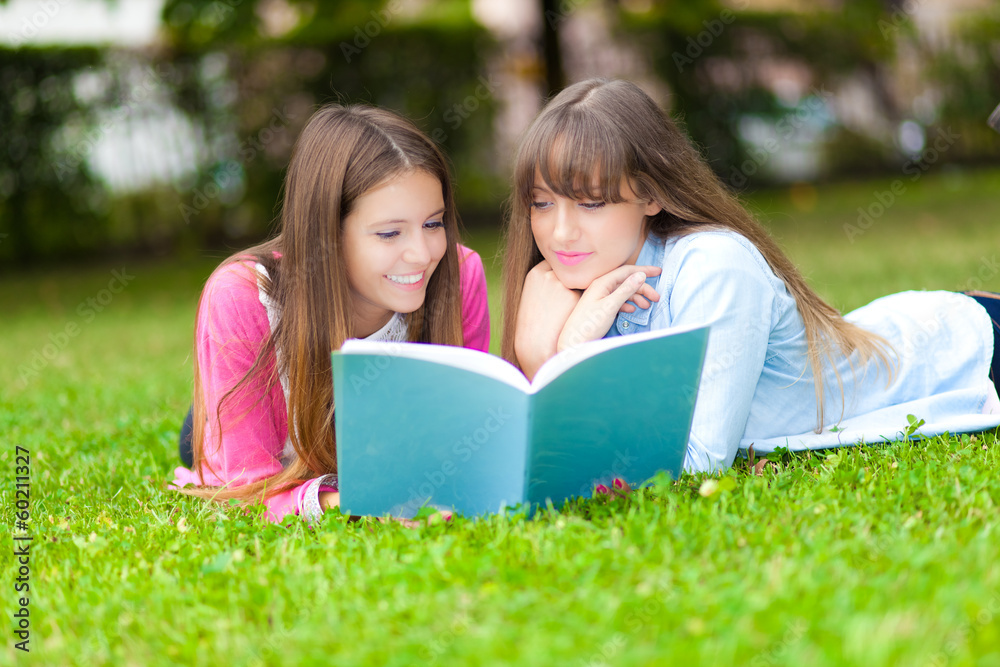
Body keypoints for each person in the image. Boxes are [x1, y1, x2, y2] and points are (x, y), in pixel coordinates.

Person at [502, 78, 1000, 474]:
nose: (559, 232)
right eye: (542, 203)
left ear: (651, 195)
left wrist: (556, 362)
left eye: (590, 203)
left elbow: (697, 461)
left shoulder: (715, 266)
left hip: (968, 351)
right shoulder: (560, 285)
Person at [171, 104, 490, 522]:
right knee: (204, 438)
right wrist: (348, 504)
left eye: (434, 224)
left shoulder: (460, 274)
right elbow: (244, 484)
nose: (423, 253)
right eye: (390, 233)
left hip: (355, 447)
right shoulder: (242, 296)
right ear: (327, 232)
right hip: (269, 418)